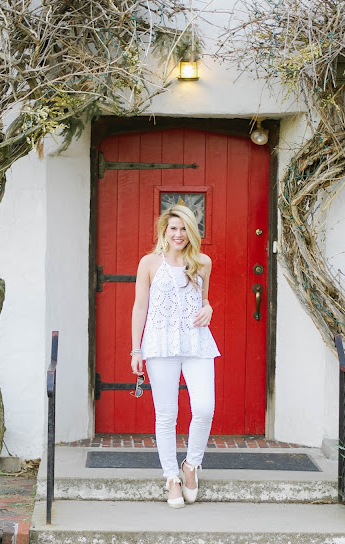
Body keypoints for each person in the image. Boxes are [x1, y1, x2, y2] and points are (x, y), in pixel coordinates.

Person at [130, 204, 220, 508]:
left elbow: (203, 301)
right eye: (173, 229)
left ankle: (191, 466)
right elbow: (140, 307)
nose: (178, 234)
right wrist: (136, 349)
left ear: (191, 231)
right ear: (164, 232)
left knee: (205, 408)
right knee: (167, 415)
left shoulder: (202, 262)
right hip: (160, 345)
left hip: (196, 343)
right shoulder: (149, 263)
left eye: (184, 229)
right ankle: (171, 476)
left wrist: (209, 308)